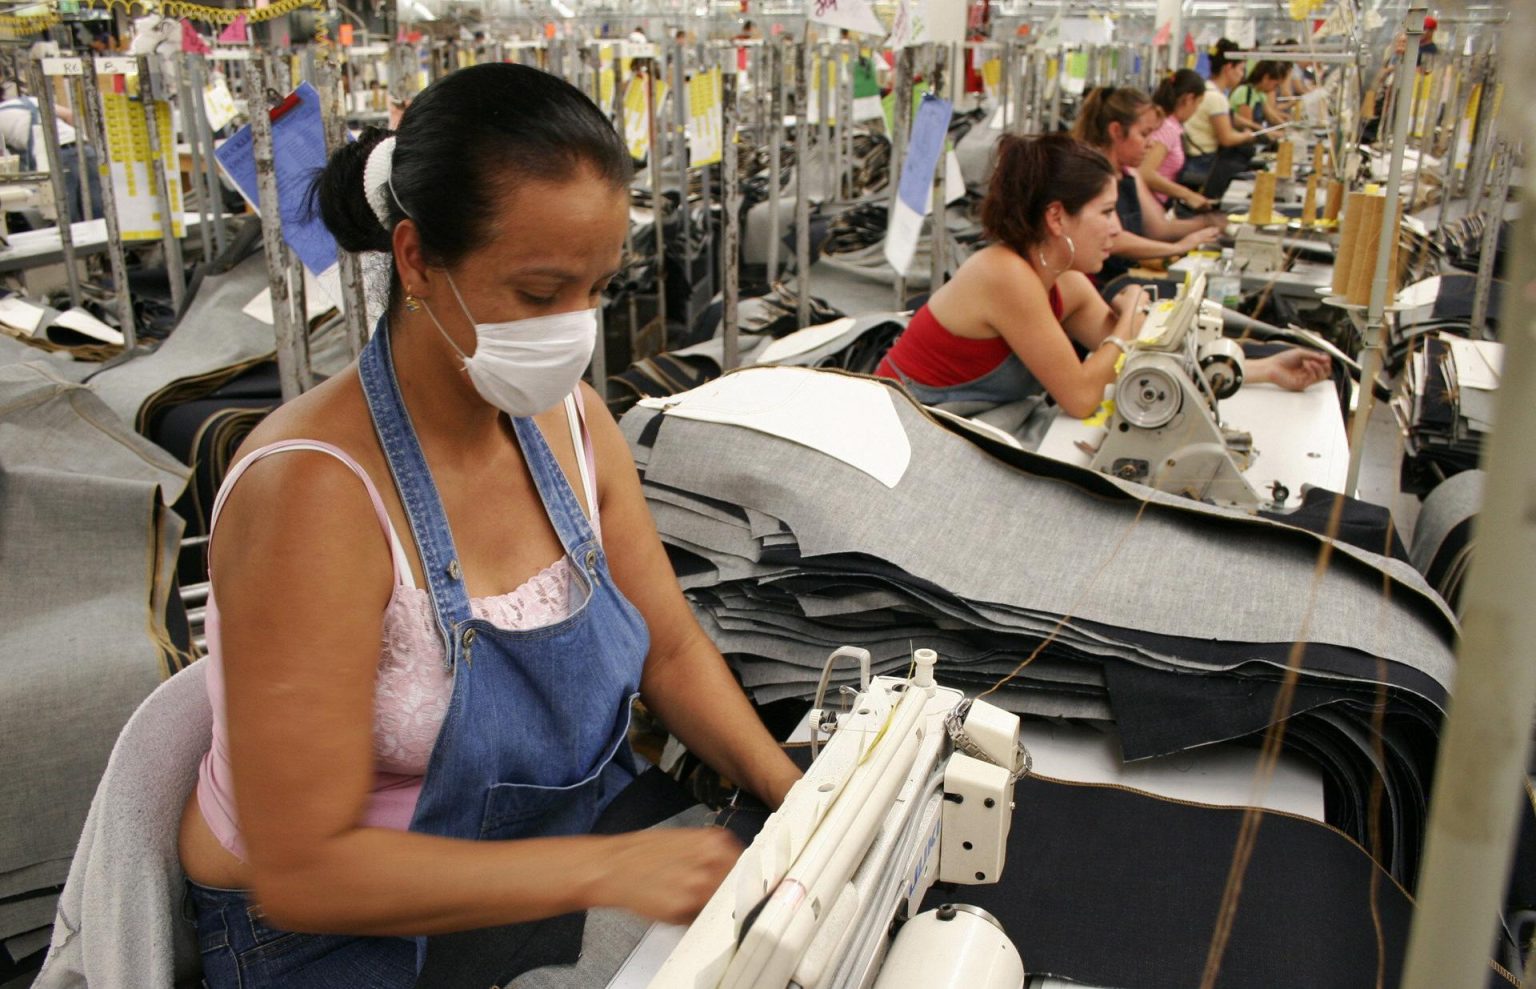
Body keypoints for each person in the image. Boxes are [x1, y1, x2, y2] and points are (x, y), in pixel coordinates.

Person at [177, 63, 801, 988]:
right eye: (541, 293)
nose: (576, 328)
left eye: (597, 288)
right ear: (418, 257)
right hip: (342, 933)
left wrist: (798, 793)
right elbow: (303, 870)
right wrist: (608, 870)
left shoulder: (573, 424)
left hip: (554, 846)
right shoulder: (314, 493)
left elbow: (667, 647)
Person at [873, 135, 1326, 427]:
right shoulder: (1004, 275)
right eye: (1106, 213)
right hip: (895, 434)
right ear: (1056, 217)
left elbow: (1137, 366)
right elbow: (1082, 397)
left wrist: (1261, 369)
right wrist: (1129, 316)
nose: (1116, 228)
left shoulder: (1062, 284)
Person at [1071, 86, 1225, 284]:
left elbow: (1158, 228)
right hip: (1099, 285)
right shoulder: (1090, 174)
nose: (1151, 144)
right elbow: (1114, 240)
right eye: (1144, 134)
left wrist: (1210, 223)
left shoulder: (1129, 173)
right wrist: (1177, 248)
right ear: (1116, 131)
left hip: (1123, 278)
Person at [0, 87, 101, 223]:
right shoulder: (31, 100)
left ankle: (78, 243)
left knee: (66, 215)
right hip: (84, 148)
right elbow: (69, 115)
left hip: (55, 157)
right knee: (98, 209)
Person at [1178, 38, 1258, 199]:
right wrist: (1248, 136)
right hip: (1203, 164)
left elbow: (1232, 117)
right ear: (1229, 68)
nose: (1242, 75)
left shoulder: (1208, 89)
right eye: (1241, 70)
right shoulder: (1216, 98)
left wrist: (1256, 127)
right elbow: (1227, 138)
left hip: (1196, 161)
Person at [1141, 69, 1214, 211]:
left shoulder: (1170, 124)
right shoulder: (1167, 128)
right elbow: (1145, 172)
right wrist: (1187, 195)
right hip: (1151, 205)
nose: (1196, 109)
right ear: (1189, 99)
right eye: (1198, 103)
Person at [1230, 60, 1289, 132]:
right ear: (1266, 78)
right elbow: (1249, 127)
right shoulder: (1245, 92)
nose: (1275, 89)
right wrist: (1275, 134)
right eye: (1275, 85)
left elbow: (1271, 117)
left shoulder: (1260, 94)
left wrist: (1287, 127)